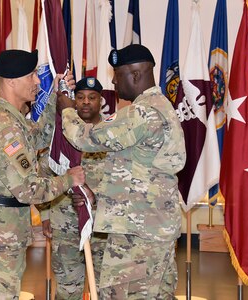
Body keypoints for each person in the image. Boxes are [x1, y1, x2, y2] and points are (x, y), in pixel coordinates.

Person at [57, 44, 186, 299]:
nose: (114, 81)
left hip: (138, 236)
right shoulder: (161, 106)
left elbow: (87, 138)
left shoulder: (143, 112)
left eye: (118, 74)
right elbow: (138, 174)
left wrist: (67, 109)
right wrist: (99, 198)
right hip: (152, 227)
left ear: (136, 75)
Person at [0, 49, 85, 300]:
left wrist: (55, 96)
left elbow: (40, 136)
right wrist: (69, 179)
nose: (37, 81)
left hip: (3, 231)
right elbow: (29, 190)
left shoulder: (11, 118)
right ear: (11, 81)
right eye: (31, 75)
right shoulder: (5, 128)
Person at [39, 77, 108, 300]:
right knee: (68, 292)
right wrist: (46, 214)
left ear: (101, 100)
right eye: (79, 97)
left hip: (103, 228)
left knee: (106, 290)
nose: (85, 102)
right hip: (65, 225)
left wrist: (97, 197)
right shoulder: (61, 134)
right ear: (73, 102)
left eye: (92, 97)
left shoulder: (111, 133)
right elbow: (43, 174)